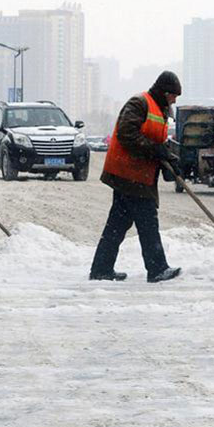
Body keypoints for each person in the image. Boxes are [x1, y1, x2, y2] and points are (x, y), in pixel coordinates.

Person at [89, 70, 183, 283]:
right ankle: (157, 269)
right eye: (173, 95)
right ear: (163, 91)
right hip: (129, 173)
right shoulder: (139, 103)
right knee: (148, 222)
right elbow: (126, 133)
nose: (175, 100)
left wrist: (169, 157)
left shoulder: (159, 109)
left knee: (117, 224)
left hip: (138, 174)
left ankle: (101, 269)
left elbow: (156, 141)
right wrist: (155, 150)